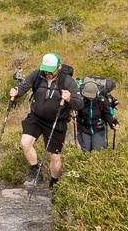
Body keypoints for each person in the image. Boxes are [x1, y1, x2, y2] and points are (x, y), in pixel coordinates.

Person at [9, 53, 83, 189]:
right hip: (36, 117)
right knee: (25, 143)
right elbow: (24, 87)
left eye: (51, 71)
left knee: (55, 156)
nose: (48, 73)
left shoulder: (67, 81)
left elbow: (79, 104)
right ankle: (36, 172)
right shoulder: (37, 75)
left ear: (59, 67)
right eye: (46, 70)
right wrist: (16, 92)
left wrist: (69, 99)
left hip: (57, 121)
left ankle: (54, 183)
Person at [76, 81, 119, 152]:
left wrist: (112, 124)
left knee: (98, 150)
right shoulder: (81, 101)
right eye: (88, 95)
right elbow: (76, 113)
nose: (90, 97)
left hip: (98, 129)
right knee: (85, 151)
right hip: (84, 129)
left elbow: (107, 114)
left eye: (91, 95)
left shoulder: (102, 101)